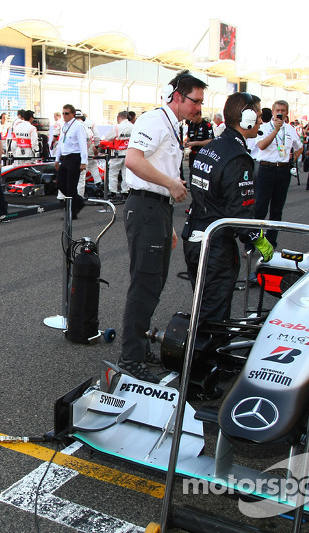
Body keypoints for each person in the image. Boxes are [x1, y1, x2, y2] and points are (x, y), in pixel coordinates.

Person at [116, 70, 203, 382]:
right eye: (196, 101)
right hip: (145, 207)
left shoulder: (172, 124)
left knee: (153, 284)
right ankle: (130, 359)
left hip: (158, 210)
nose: (199, 108)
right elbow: (133, 160)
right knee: (145, 284)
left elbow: (158, 164)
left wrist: (169, 224)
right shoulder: (155, 120)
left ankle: (137, 349)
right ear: (178, 96)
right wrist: (170, 184)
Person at [182, 92, 272, 325]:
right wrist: (258, 239)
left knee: (202, 306)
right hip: (215, 245)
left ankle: (197, 354)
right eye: (259, 116)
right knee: (213, 316)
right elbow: (240, 214)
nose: (262, 121)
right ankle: (204, 359)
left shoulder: (213, 146)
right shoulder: (238, 157)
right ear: (247, 118)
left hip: (193, 236)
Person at [253, 100, 303, 248]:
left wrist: (292, 158)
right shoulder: (264, 128)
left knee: (276, 210)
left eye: (283, 111)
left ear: (287, 113)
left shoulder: (291, 129)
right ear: (273, 112)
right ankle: (252, 242)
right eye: (277, 110)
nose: (280, 113)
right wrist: (275, 130)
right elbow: (261, 145)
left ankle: (271, 242)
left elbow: (299, 147)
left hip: (283, 170)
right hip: (266, 169)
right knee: (260, 208)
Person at [54, 105, 88, 220]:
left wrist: (84, 161)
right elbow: (60, 143)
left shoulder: (78, 126)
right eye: (63, 113)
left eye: (66, 113)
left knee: (71, 186)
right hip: (65, 158)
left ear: (73, 114)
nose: (64, 115)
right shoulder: (64, 126)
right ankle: (79, 201)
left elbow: (83, 145)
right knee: (60, 183)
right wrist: (57, 159)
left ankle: (71, 212)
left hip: (75, 157)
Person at [103, 111, 133, 198]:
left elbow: (108, 137)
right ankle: (125, 191)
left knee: (113, 172)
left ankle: (113, 191)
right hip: (129, 153)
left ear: (119, 117)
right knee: (126, 173)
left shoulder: (117, 127)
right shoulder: (133, 127)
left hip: (118, 153)